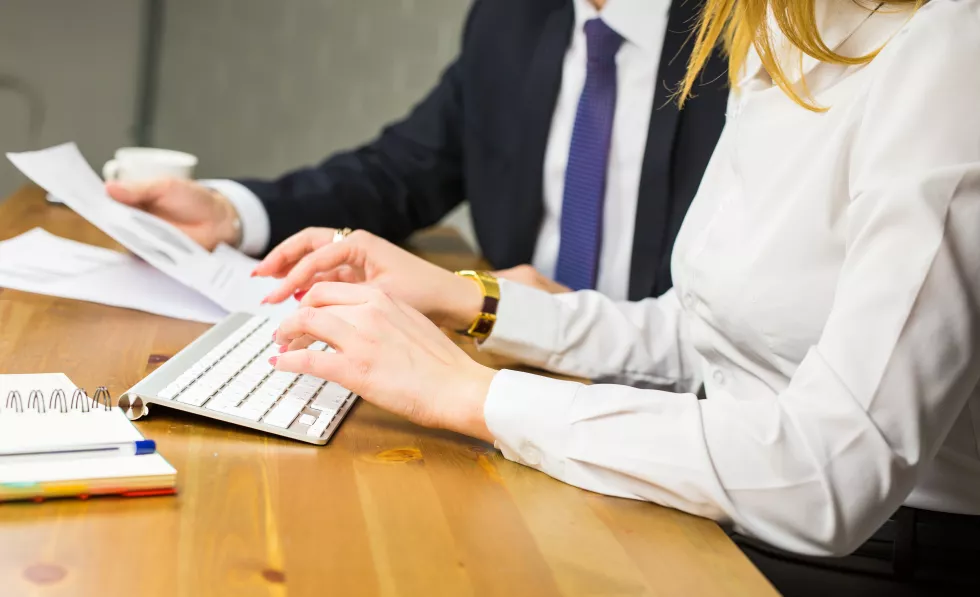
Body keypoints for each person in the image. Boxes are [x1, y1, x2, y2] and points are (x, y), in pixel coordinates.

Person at [258, 0, 980, 593]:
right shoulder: (780, 29)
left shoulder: (953, 48)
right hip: (733, 511)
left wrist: (474, 396)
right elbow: (698, 332)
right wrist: (469, 301)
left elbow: (831, 475)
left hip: (879, 557)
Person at [106, 0, 727, 301]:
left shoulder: (754, 49)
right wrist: (231, 212)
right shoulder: (514, 19)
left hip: (678, 415)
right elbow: (400, 170)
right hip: (512, 371)